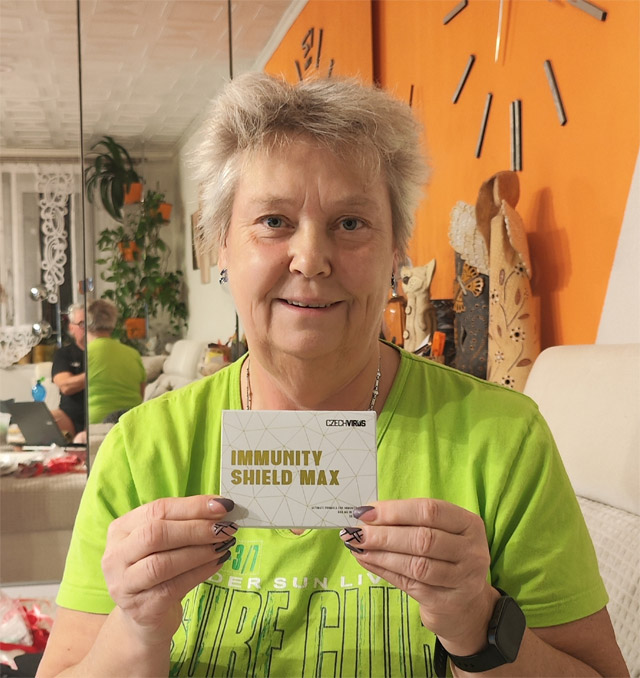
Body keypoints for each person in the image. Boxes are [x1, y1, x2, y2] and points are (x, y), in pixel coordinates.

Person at [38, 74, 628, 677]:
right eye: (274, 220)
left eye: (350, 223)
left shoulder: (502, 438)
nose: (311, 259)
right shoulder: (142, 450)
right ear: (222, 247)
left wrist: (478, 621)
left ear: (396, 252)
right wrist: (136, 629)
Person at [85, 298, 146, 425]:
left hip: (96, 424)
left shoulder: (85, 354)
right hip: (132, 421)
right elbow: (141, 393)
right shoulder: (133, 354)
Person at [50, 303, 86, 439]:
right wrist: (96, 375)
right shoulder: (64, 354)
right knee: (36, 424)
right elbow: (65, 386)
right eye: (82, 324)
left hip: (100, 414)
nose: (87, 328)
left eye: (90, 323)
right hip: (69, 416)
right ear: (71, 327)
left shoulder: (103, 352)